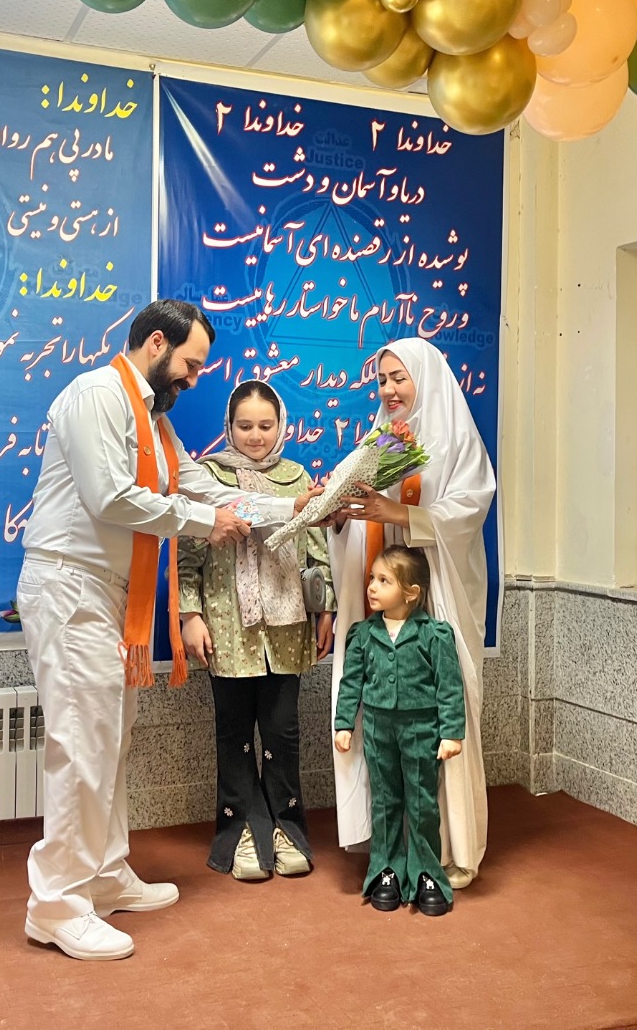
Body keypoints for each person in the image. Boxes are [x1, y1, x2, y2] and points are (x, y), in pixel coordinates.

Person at [16, 299, 315, 961]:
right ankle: (56, 905)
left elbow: (201, 485)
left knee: (109, 741)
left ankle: (104, 876)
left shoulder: (152, 417)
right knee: (81, 746)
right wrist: (209, 525)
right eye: (191, 363)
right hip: (70, 586)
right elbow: (111, 497)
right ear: (157, 343)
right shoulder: (96, 395)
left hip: (108, 595)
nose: (194, 378)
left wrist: (288, 506)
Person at [328, 336, 496, 889]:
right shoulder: (379, 442)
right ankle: (391, 848)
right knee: (382, 728)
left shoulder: (455, 438)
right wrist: (338, 516)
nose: (389, 389)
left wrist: (398, 512)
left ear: (426, 377)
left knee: (445, 713)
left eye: (399, 377)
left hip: (438, 595)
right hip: (384, 610)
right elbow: (359, 519)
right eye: (382, 380)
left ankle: (453, 849)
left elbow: (468, 510)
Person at [177, 380, 335, 882]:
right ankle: (243, 831)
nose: (255, 435)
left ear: (281, 425)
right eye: (244, 425)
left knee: (283, 734)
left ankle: (287, 830)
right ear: (229, 426)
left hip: (286, 630)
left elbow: (316, 550)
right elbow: (188, 551)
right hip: (227, 628)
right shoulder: (208, 476)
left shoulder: (296, 477)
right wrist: (190, 616)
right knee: (235, 735)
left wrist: (325, 609)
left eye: (265, 425)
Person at [334, 545, 464, 916]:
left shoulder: (434, 634)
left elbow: (449, 686)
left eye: (384, 580)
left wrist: (451, 732)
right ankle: (386, 869)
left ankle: (426, 873)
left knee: (422, 802)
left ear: (411, 592)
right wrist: (344, 724)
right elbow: (351, 683)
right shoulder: (363, 634)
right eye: (372, 578)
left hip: (422, 730)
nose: (372, 587)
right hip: (378, 730)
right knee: (385, 800)